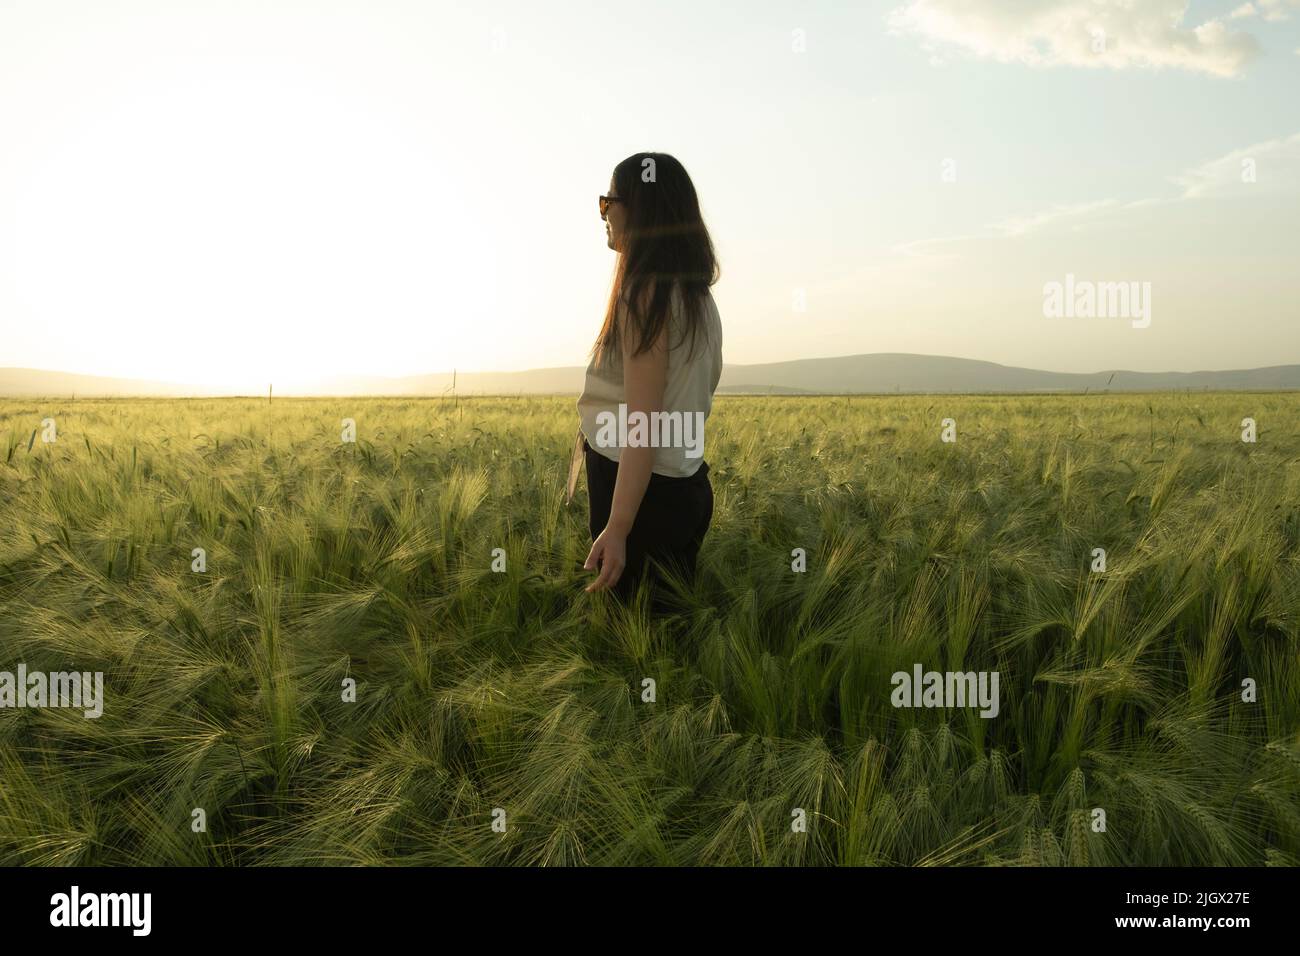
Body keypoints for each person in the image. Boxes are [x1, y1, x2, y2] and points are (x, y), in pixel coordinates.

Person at [567, 151, 723, 612]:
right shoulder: (698, 299)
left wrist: (618, 527)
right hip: (684, 488)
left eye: (608, 201)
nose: (604, 213)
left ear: (637, 207)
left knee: (628, 651)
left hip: (639, 497)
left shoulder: (645, 293)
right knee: (667, 644)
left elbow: (644, 424)